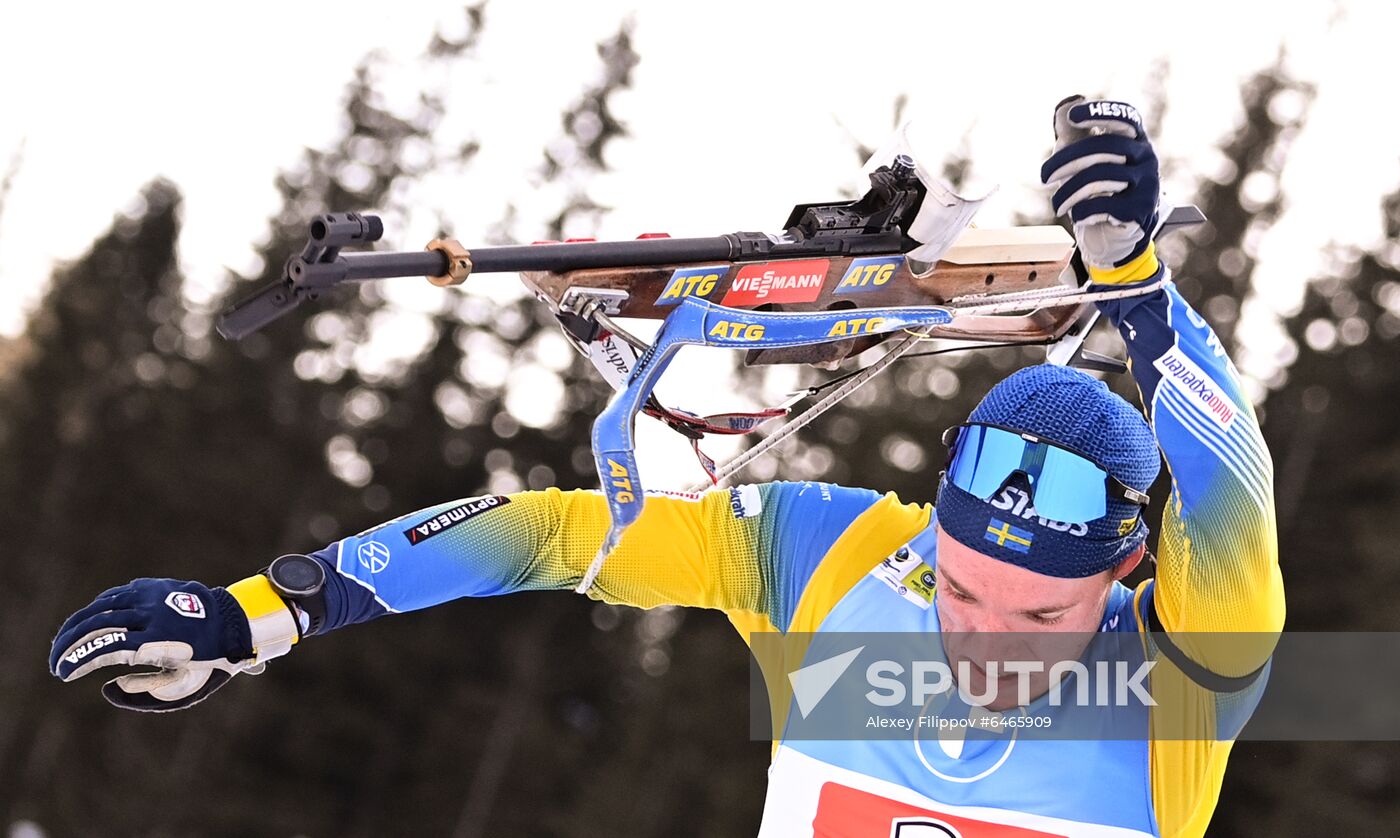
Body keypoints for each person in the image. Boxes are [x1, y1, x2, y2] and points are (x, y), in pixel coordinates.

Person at [50, 97, 1284, 837]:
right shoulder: (842, 563)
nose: (986, 643)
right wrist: (261, 610)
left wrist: (1136, 290)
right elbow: (541, 536)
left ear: (1128, 565)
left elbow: (1230, 493)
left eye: (1040, 614)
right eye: (959, 587)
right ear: (929, 535)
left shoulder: (1178, 684)